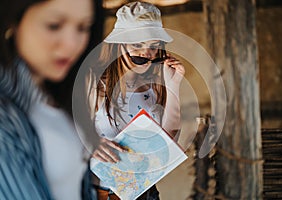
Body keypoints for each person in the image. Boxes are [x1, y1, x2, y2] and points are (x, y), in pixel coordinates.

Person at [0, 0, 103, 199]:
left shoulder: (54, 94)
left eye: (83, 27)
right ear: (13, 20)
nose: (71, 43)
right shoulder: (6, 112)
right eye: (54, 26)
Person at [86, 2, 185, 199]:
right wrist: (91, 143)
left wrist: (174, 86)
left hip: (146, 194)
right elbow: (69, 134)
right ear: (119, 45)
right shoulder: (94, 83)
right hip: (102, 194)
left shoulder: (155, 86)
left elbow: (168, 141)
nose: (145, 53)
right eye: (137, 44)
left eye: (153, 46)